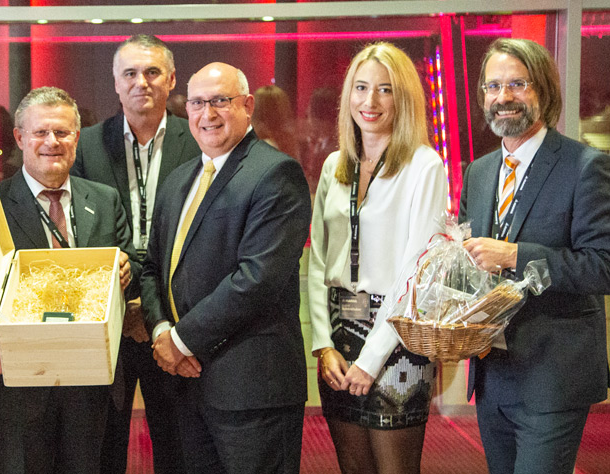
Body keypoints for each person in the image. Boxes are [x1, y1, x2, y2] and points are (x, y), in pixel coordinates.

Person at [140, 62, 311, 473]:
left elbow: (255, 280)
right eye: (197, 103)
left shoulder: (275, 174)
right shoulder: (179, 180)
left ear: (248, 105)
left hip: (252, 393)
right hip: (187, 386)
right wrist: (161, 329)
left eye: (221, 101)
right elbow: (152, 269)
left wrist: (179, 341)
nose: (208, 114)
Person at [0, 86, 140, 474]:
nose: (52, 142)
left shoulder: (105, 199)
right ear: (19, 138)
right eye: (40, 132)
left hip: (90, 382)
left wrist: (126, 270)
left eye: (62, 133)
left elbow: (130, 264)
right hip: (19, 383)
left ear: (76, 138)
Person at [460, 38, 610, 474]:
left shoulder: (585, 167)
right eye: (492, 87)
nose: (502, 97)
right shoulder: (479, 171)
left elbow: (603, 266)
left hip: (553, 377)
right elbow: (472, 266)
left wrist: (514, 255)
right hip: (493, 373)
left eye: (517, 84)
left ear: (543, 89)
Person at [308, 42, 448, 474]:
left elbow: (415, 273)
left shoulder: (424, 166)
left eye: (385, 90)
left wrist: (370, 361)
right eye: (361, 87)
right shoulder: (335, 165)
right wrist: (322, 344)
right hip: (338, 337)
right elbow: (317, 260)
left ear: (402, 98)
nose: (370, 102)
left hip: (396, 341)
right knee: (353, 468)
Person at [71, 33, 200, 474]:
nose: (140, 82)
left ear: (171, 79)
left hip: (176, 317)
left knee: (178, 445)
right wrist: (126, 304)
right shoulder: (86, 145)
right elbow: (78, 231)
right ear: (115, 82)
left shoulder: (198, 140)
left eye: (151, 72)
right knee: (103, 445)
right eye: (130, 73)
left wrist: (153, 310)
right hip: (107, 317)